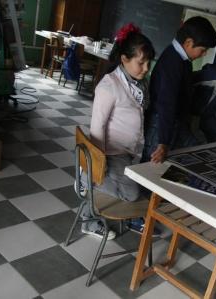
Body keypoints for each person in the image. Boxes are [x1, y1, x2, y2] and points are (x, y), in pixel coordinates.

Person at [79, 23, 156, 240]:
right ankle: (87, 180)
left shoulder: (138, 83)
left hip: (128, 151)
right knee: (132, 194)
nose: (146, 68)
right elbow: (97, 129)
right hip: (111, 153)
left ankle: (89, 181)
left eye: (149, 63)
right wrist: (97, 167)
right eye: (141, 63)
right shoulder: (109, 86)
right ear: (124, 59)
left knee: (141, 186)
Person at [142, 16, 216, 163]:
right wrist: (163, 142)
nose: (204, 54)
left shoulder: (183, 60)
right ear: (189, 43)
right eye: (202, 50)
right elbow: (166, 104)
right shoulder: (172, 62)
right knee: (150, 165)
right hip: (160, 124)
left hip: (172, 122)